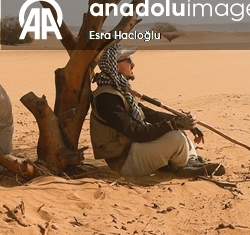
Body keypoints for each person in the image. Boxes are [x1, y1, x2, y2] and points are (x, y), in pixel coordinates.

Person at [89, 44, 223, 178]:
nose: (133, 64)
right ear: (115, 65)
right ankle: (183, 166)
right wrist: (173, 124)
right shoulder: (106, 98)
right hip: (124, 161)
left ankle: (190, 161)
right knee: (175, 137)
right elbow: (136, 132)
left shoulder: (121, 91)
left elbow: (150, 114)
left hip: (135, 150)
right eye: (128, 59)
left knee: (177, 130)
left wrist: (183, 121)